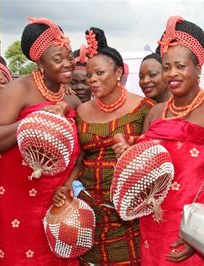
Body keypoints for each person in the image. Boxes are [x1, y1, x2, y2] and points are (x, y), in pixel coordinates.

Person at [126, 16, 204, 265]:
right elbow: (145, 168)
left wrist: (198, 236)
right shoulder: (155, 112)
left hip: (196, 226)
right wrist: (129, 152)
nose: (172, 74)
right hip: (153, 222)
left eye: (180, 66)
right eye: (166, 67)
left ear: (198, 67)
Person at [0, 17, 81, 265]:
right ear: (40, 63)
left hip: (55, 199)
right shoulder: (18, 90)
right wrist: (30, 123)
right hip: (16, 200)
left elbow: (80, 120)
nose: (68, 64)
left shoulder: (68, 94)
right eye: (58, 60)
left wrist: (63, 105)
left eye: (69, 57)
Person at [54, 27, 154, 265]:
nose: (93, 80)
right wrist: (65, 187)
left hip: (129, 213)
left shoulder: (144, 108)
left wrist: (133, 151)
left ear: (118, 72)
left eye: (99, 73)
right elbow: (80, 159)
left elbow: (155, 157)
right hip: (89, 211)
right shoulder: (81, 111)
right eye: (90, 75)